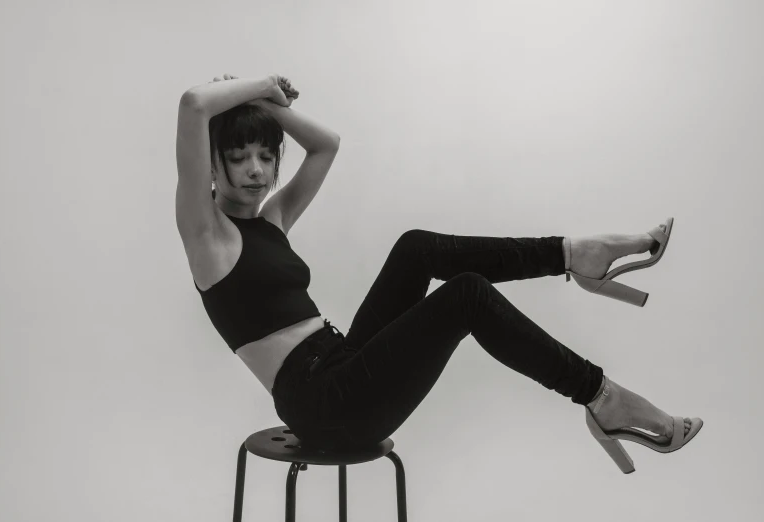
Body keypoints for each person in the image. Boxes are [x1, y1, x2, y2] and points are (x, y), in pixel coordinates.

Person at [175, 74, 702, 473]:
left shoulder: (272, 221)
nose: (256, 170)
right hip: (325, 406)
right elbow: (194, 105)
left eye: (266, 156)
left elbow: (327, 144)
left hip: (342, 364)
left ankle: (573, 254)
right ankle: (602, 397)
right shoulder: (208, 236)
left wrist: (259, 106)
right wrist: (262, 86)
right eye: (238, 157)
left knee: (416, 250)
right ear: (212, 166)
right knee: (466, 296)